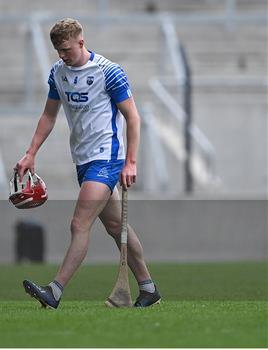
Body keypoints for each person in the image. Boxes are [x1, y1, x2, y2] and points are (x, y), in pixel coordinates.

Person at [16, 18, 161, 309]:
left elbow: (133, 117)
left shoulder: (109, 72)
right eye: (58, 50)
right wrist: (31, 153)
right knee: (116, 225)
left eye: (66, 49)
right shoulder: (58, 73)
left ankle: (54, 292)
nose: (62, 55)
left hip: (107, 159)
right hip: (83, 160)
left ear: (81, 42)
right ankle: (148, 288)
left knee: (79, 223)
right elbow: (48, 116)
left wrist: (130, 162)